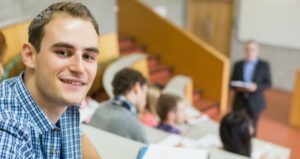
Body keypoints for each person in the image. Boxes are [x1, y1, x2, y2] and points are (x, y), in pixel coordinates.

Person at [0, 2, 100, 158]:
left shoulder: (59, 97)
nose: (79, 68)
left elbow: (81, 141)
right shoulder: (7, 134)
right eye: (63, 52)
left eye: (88, 56)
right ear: (30, 56)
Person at [89, 68, 149, 143]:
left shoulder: (99, 109)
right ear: (137, 87)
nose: (145, 101)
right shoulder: (132, 124)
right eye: (145, 93)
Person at [230, 40, 272, 135]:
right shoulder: (238, 64)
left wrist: (256, 87)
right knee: (236, 126)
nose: (250, 52)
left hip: (255, 101)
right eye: (248, 49)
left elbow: (268, 83)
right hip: (239, 101)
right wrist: (237, 87)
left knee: (252, 128)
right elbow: (231, 83)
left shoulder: (264, 65)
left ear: (258, 51)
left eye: (253, 49)